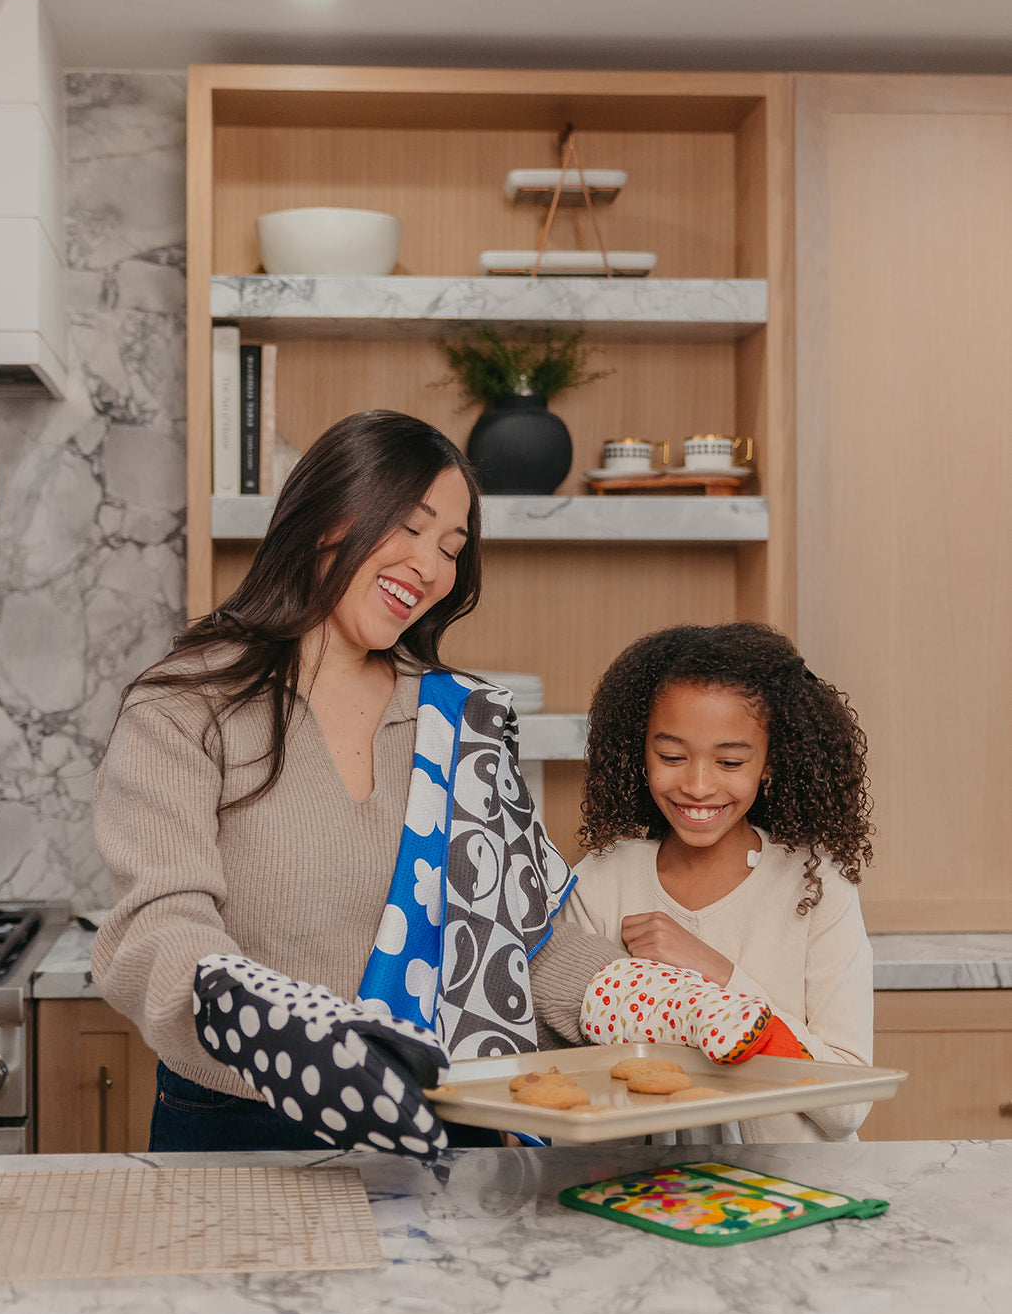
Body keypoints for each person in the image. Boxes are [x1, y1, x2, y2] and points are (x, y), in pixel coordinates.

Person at [91, 409, 622, 1153]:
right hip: (244, 1120)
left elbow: (517, 942)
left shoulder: (461, 719)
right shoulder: (184, 706)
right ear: (324, 513)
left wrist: (633, 995)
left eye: (451, 546)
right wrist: (280, 1029)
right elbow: (159, 927)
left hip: (441, 1117)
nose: (432, 567)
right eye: (408, 526)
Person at [562, 621, 875, 1144]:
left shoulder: (818, 887)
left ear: (770, 761)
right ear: (638, 752)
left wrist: (717, 977)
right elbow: (573, 1086)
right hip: (642, 1199)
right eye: (671, 756)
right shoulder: (598, 882)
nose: (698, 785)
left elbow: (846, 1106)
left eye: (730, 761)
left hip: (795, 1202)